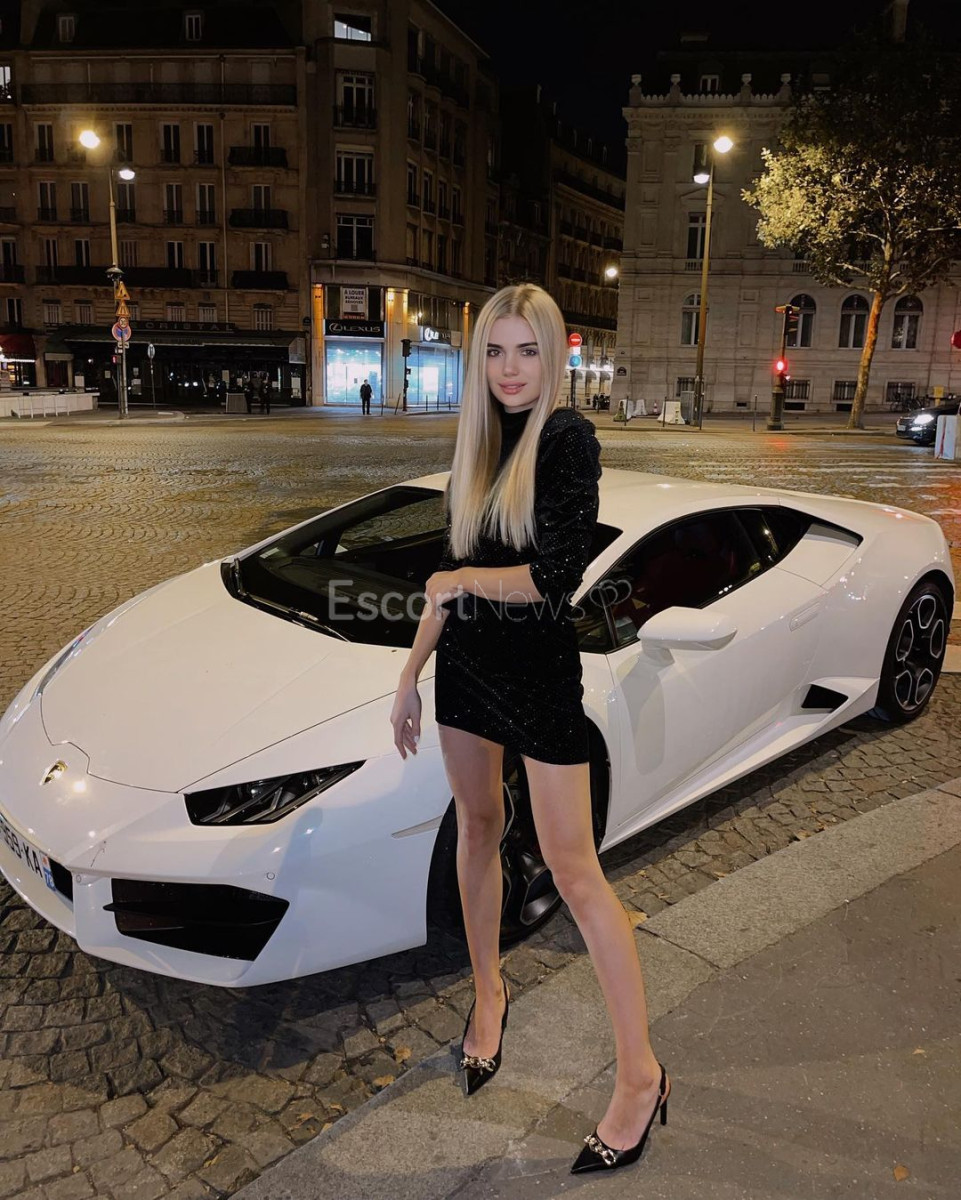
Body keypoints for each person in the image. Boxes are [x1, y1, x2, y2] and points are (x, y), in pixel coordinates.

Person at [389, 283, 669, 1175]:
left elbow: (551, 580)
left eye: (527, 351)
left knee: (575, 872)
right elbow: (447, 576)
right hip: (465, 672)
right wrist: (408, 674)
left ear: (553, 357)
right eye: (495, 352)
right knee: (477, 829)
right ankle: (488, 993)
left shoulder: (566, 438)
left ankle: (640, 1076)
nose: (510, 370)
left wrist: (462, 583)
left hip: (538, 677)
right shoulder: (477, 448)